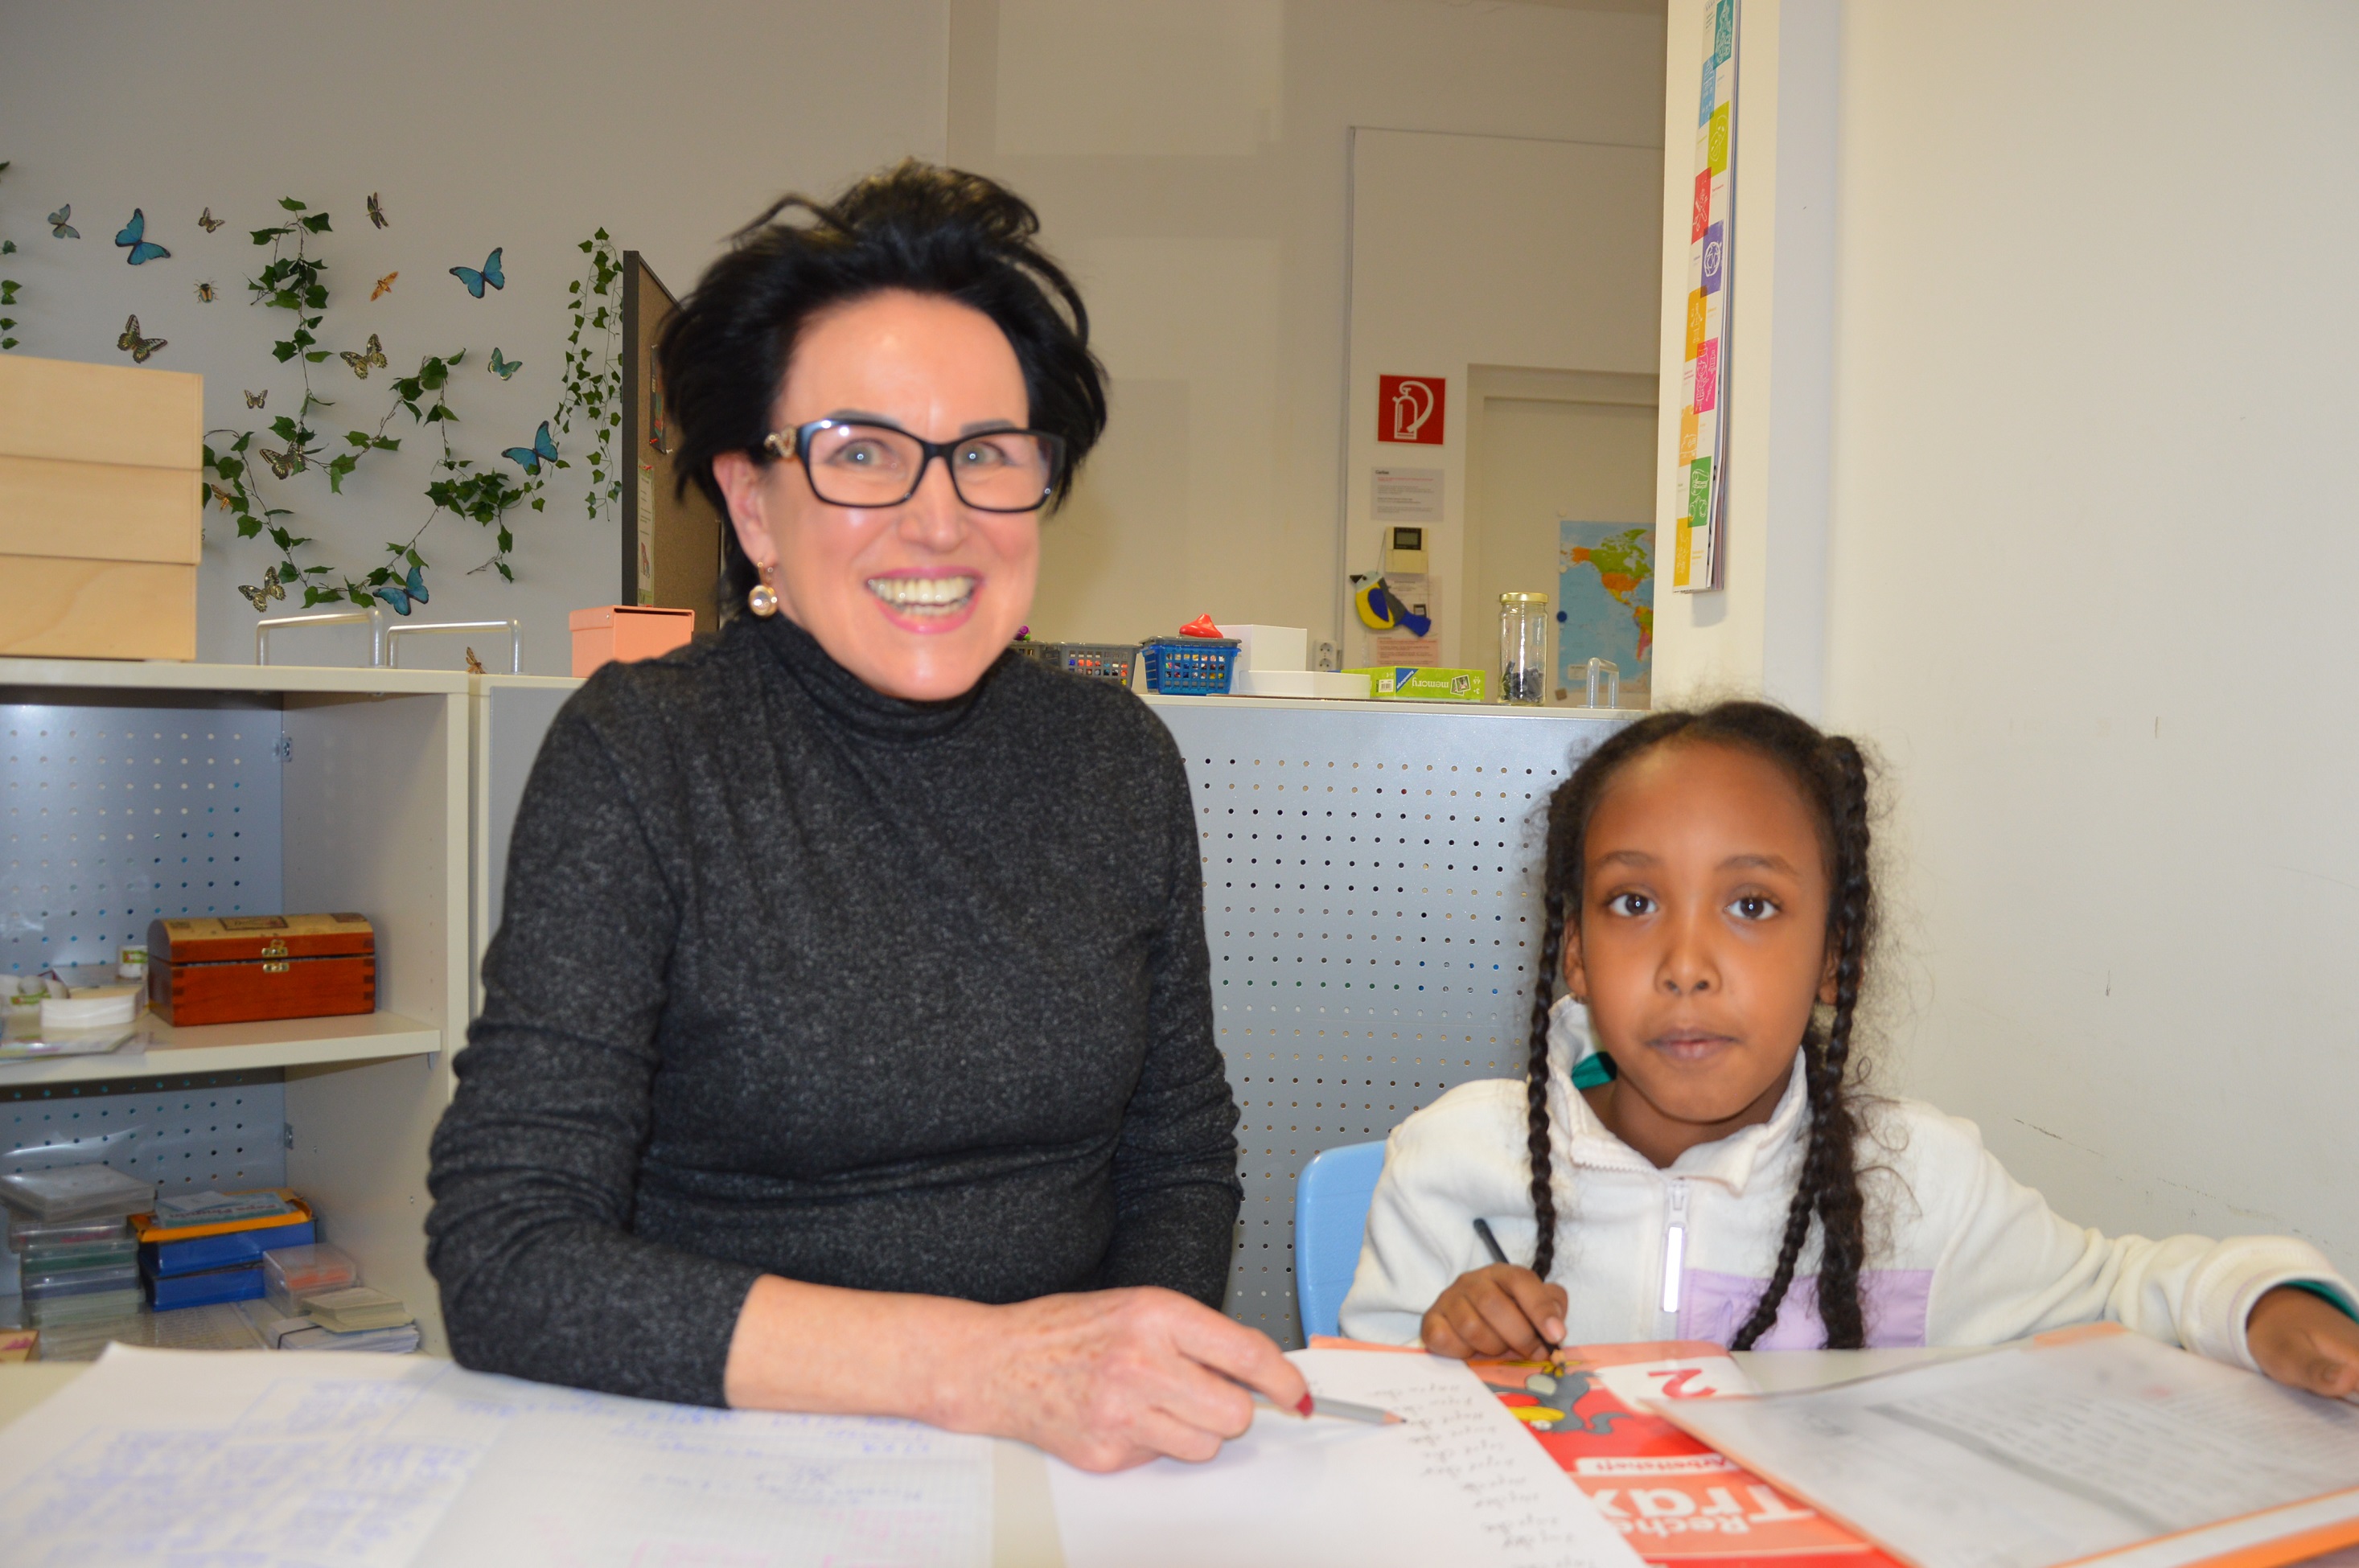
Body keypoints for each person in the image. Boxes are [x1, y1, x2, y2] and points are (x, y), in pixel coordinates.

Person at [426, 161, 1305, 1472]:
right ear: (753, 505)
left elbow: (1176, 1152)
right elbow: (508, 1255)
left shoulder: (1116, 758)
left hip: (1062, 1465)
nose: (938, 520)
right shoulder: (643, 754)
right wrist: (984, 1370)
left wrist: (1124, 1379)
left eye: (986, 455)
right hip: (725, 1453)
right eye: (860, 455)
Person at [1338, 701, 2359, 1398]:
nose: (1685, 965)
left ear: (1833, 957)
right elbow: (1363, 1428)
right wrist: (1441, 1352)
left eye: (1750, 906)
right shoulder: (1451, 1166)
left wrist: (2263, 1302)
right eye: (1632, 902)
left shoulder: (1918, 1182)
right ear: (1573, 951)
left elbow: (2123, 1290)